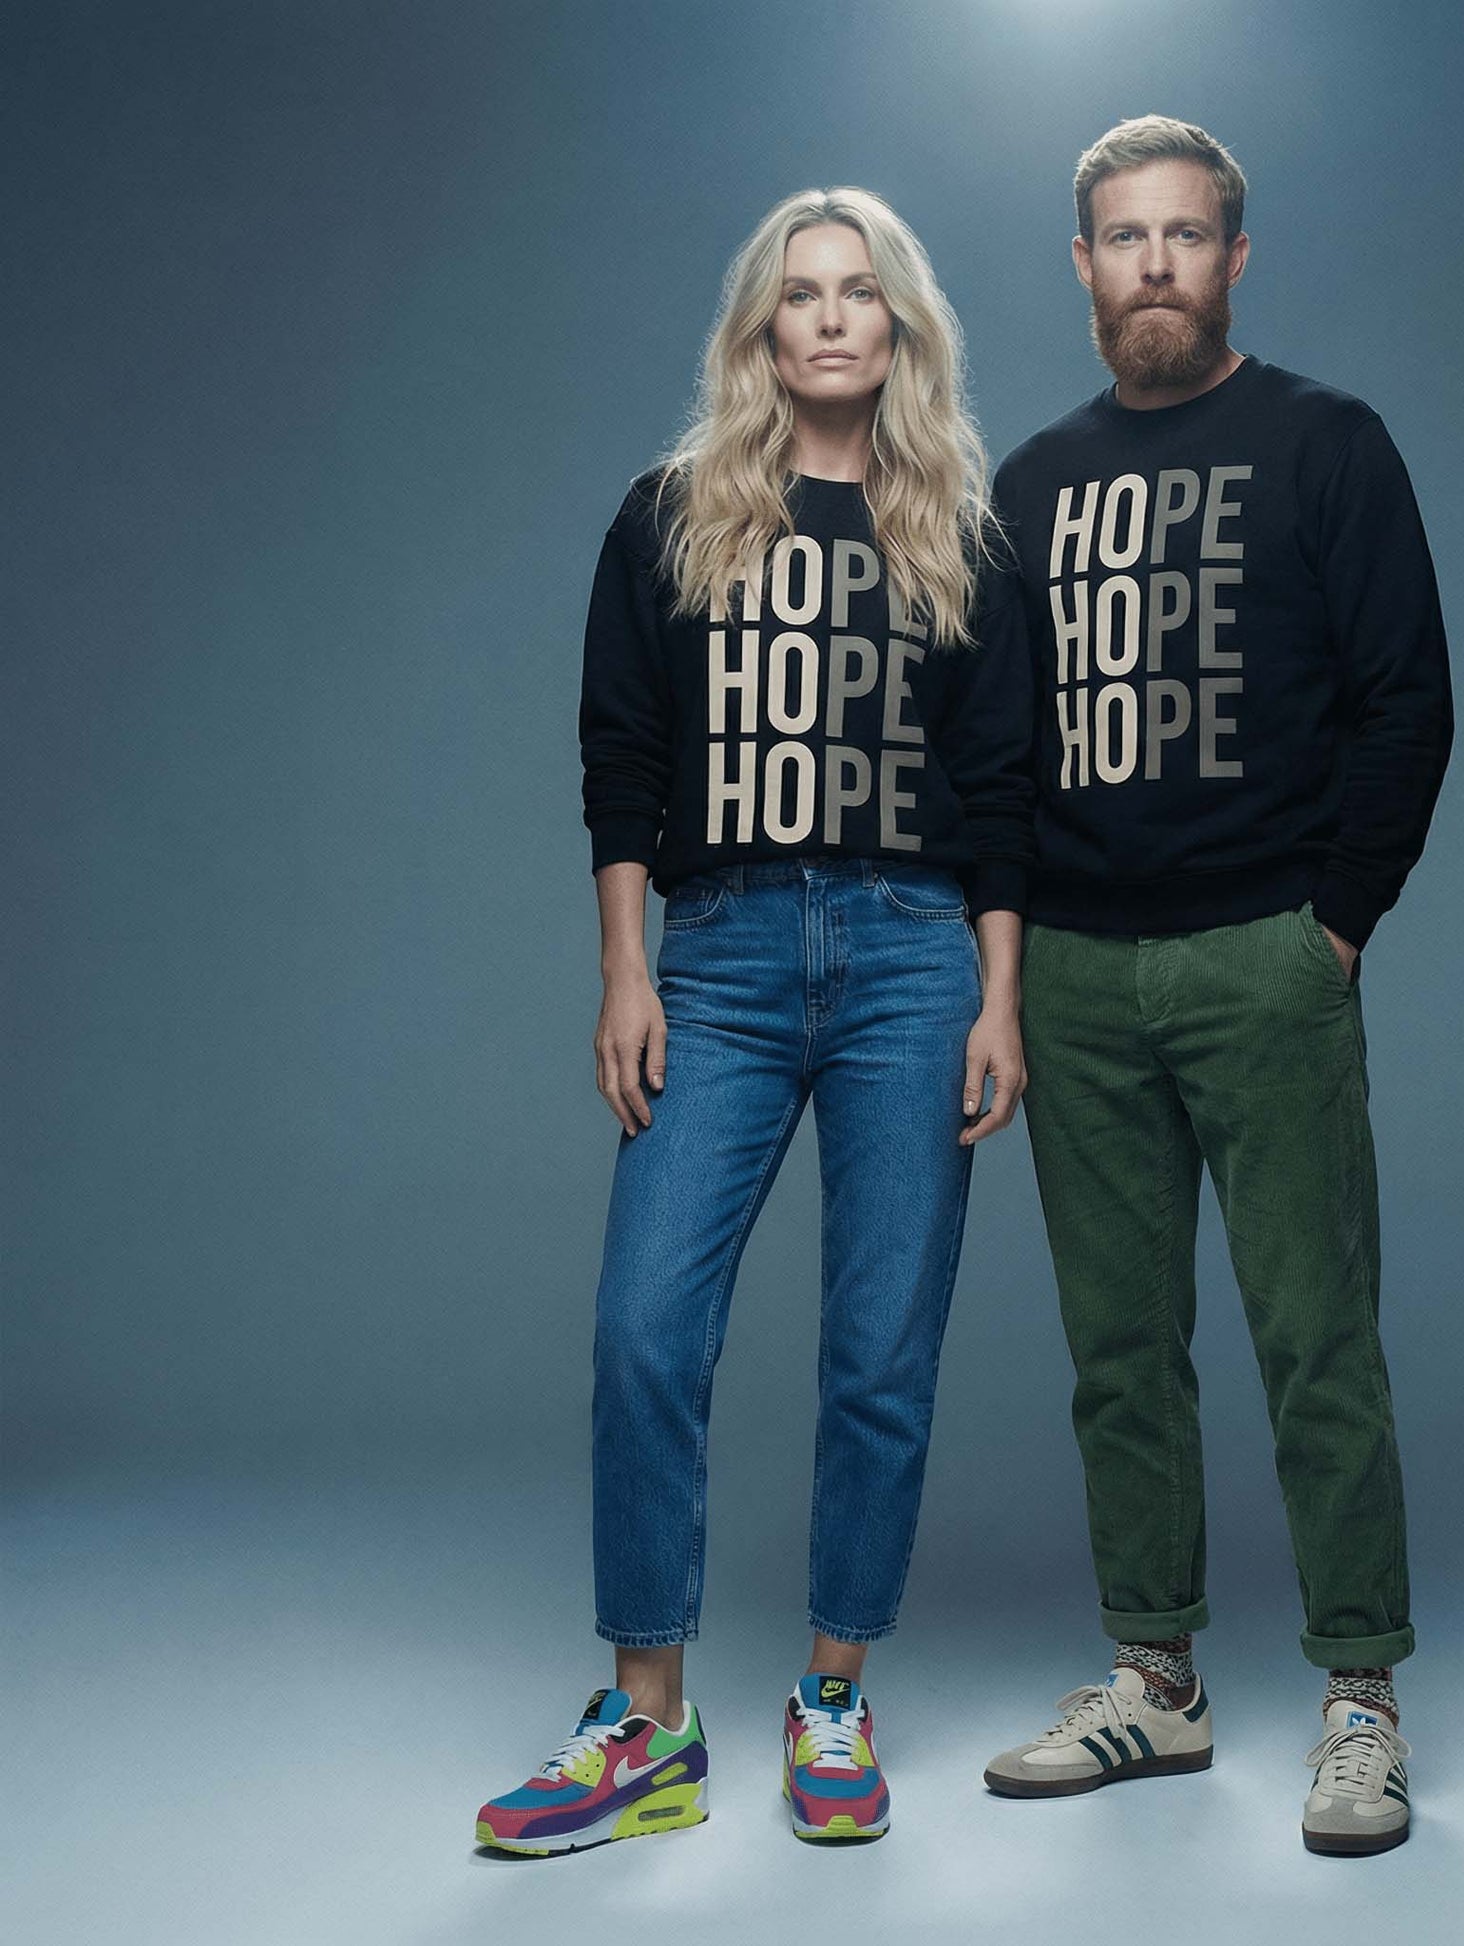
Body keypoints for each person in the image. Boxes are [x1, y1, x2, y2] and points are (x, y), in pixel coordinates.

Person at [475, 186, 1035, 1855]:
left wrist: (999, 996)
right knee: (646, 1327)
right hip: (712, 960)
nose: (833, 318)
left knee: (879, 1349)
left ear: (899, 327)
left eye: (861, 292)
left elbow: (1000, 792)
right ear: (764, 332)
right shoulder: (668, 515)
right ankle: (646, 1729)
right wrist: (624, 969)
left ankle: (833, 1689)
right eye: (801, 295)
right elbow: (620, 763)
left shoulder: (961, 533)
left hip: (914, 957)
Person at [979, 116, 1453, 1857]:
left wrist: (1335, 922)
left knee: (1313, 1336)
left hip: (1266, 955)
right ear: (1084, 267)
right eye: (1121, 237)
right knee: (1119, 1351)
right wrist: (1007, 965)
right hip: (1078, 975)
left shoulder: (1327, 444)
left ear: (1233, 256)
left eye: (1184, 234)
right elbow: (997, 750)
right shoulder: (1025, 485)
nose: (1153, 263)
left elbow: (1407, 698)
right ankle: (1155, 1686)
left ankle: (1358, 1699)